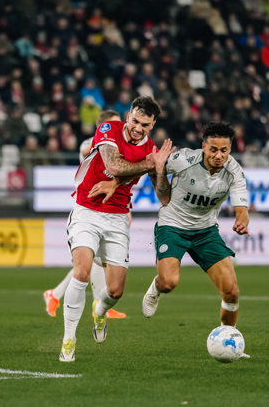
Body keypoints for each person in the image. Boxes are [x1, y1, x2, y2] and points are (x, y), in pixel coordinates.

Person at [59, 96, 173, 362]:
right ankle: (68, 340)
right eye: (135, 121)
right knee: (81, 272)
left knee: (115, 291)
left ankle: (99, 312)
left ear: (152, 125)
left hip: (118, 218)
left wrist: (160, 169)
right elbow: (113, 165)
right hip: (87, 209)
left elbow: (164, 196)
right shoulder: (108, 129)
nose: (138, 128)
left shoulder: (152, 149)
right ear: (128, 116)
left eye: (145, 124)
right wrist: (149, 163)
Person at [141, 122, 250, 332]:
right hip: (172, 226)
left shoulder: (234, 171)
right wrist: (156, 169)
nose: (218, 155)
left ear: (230, 149)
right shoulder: (183, 159)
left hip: (206, 231)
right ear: (203, 147)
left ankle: (228, 337)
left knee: (232, 293)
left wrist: (242, 222)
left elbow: (242, 210)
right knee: (168, 283)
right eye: (213, 149)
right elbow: (150, 166)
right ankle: (156, 288)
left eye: (224, 150)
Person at [44, 110, 127, 319]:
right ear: (104, 125)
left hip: (109, 207)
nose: (121, 127)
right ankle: (98, 304)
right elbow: (88, 151)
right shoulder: (94, 142)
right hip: (89, 207)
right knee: (91, 263)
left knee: (90, 263)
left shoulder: (122, 142)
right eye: (115, 123)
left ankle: (56, 294)